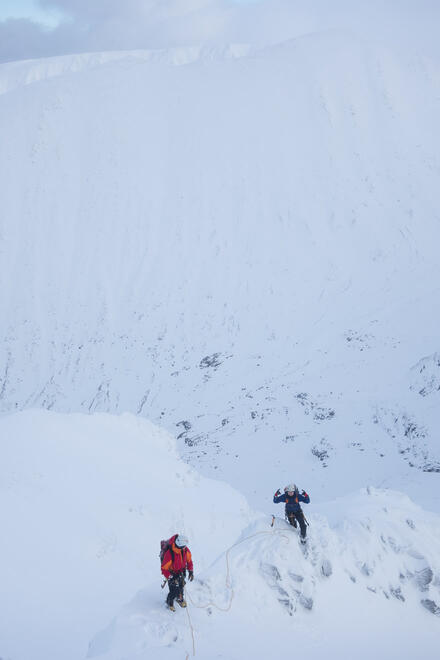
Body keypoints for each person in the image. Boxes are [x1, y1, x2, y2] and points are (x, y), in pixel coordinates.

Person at [161, 533, 194, 611]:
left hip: (181, 572)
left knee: (181, 586)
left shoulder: (185, 550)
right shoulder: (170, 554)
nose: (185, 547)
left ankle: (179, 598)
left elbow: (189, 561)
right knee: (173, 591)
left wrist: (190, 571)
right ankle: (169, 602)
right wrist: (171, 577)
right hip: (172, 574)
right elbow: (164, 568)